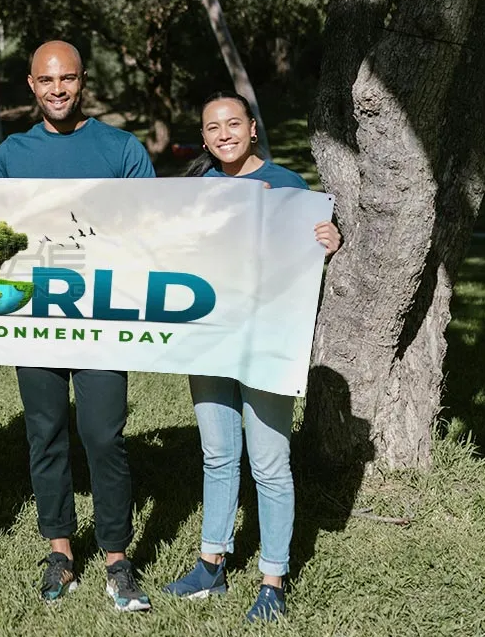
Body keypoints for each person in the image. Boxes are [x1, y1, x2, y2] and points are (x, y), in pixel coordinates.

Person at [0, 40, 154, 611]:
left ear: (83, 82)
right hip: (35, 322)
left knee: (104, 435)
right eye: (47, 81)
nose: (58, 90)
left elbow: (153, 230)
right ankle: (60, 550)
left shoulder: (121, 149)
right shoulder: (10, 155)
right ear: (31, 85)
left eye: (69, 80)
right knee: (46, 432)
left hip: (103, 321)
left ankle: (116, 556)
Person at [163, 91, 341, 622]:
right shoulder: (199, 188)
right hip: (211, 340)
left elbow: (305, 259)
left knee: (269, 463)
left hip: (266, 341)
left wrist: (328, 241)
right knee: (217, 454)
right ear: (204, 138)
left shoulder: (290, 186)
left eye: (233, 124)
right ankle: (210, 565)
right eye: (212, 128)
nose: (224, 134)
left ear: (252, 128)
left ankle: (272, 581)